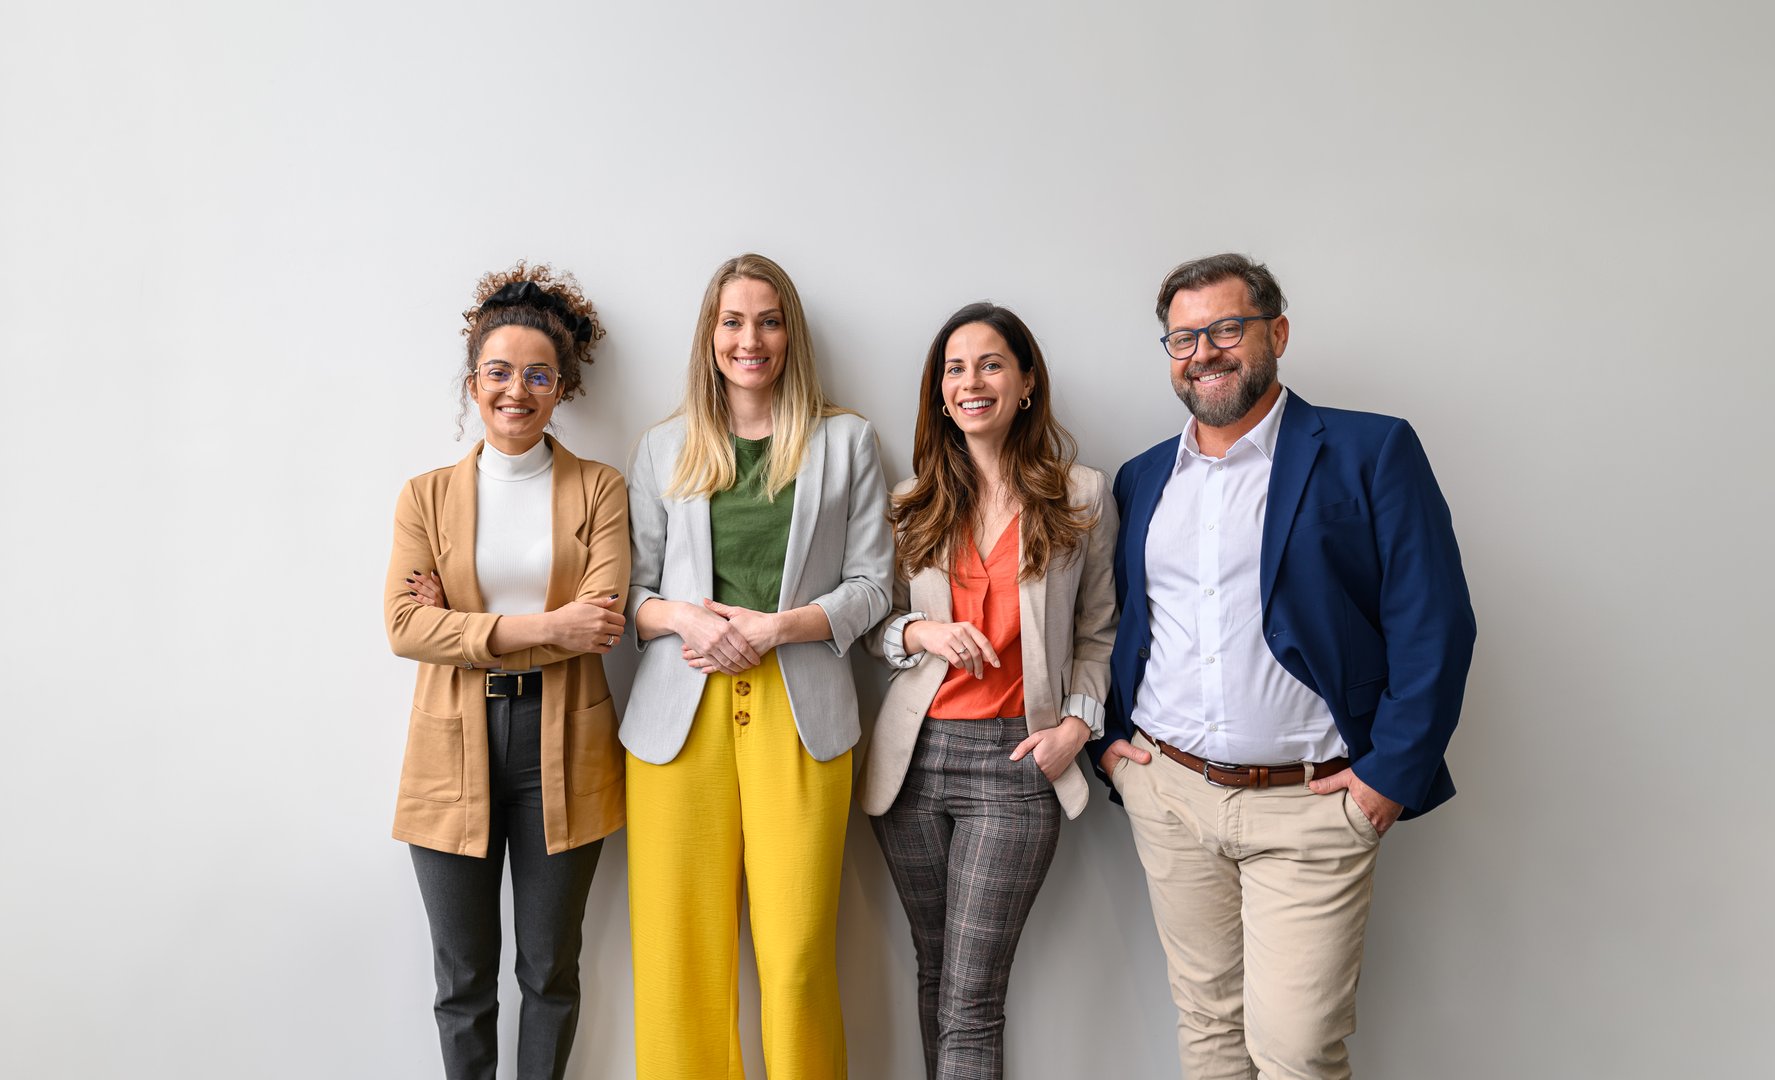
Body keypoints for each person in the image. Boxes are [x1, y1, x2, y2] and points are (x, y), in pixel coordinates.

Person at [1091, 253, 1476, 1078]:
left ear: (1276, 333)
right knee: (1208, 1036)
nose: (1204, 352)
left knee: (1296, 1051)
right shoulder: (1143, 477)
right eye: (1182, 337)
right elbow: (1118, 623)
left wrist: (1386, 780)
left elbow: (1433, 621)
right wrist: (1116, 752)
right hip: (1169, 794)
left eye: (1226, 329)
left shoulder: (1371, 450)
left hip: (1311, 805)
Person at [622, 252, 892, 1079]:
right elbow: (630, 593)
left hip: (801, 715)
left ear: (790, 334)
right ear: (711, 335)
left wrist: (779, 629)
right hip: (678, 723)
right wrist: (683, 616)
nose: (751, 339)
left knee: (798, 959)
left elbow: (874, 585)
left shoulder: (846, 443)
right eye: (734, 321)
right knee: (679, 963)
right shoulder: (664, 447)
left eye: (769, 320)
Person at [860, 303, 1117, 1079]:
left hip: (1016, 763)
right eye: (954, 369)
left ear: (1026, 382)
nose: (971, 382)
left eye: (990, 364)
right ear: (939, 394)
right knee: (934, 971)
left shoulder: (1081, 496)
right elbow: (873, 622)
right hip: (912, 762)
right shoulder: (908, 502)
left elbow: (1100, 633)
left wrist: (1077, 726)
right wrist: (916, 634)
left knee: (971, 997)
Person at [386, 263, 630, 1080]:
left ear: (560, 387)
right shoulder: (423, 498)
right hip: (450, 744)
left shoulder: (600, 490)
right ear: (473, 381)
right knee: (462, 980)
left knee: (549, 972)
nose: (515, 391)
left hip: (566, 741)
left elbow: (600, 623)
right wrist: (547, 623)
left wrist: (463, 622)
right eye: (498, 372)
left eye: (536, 375)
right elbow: (403, 626)